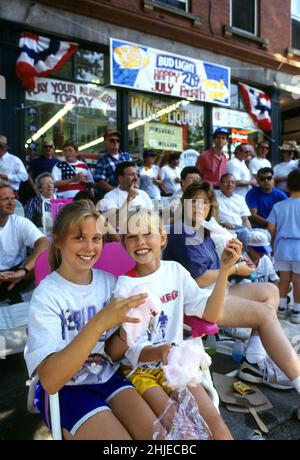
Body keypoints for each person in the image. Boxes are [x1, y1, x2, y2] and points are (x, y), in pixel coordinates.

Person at [24, 200, 158, 440]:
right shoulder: (46, 296)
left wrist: (133, 327)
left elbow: (113, 353)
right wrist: (98, 323)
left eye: (97, 238)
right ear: (57, 240)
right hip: (67, 390)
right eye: (79, 238)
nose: (90, 247)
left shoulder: (109, 283)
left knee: (160, 439)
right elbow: (51, 380)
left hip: (109, 376)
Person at [106, 208, 235, 440]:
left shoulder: (176, 271)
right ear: (124, 244)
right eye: (132, 237)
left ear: (162, 238)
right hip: (141, 371)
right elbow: (129, 346)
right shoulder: (124, 287)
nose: (140, 242)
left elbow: (209, 314)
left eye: (147, 234)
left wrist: (224, 271)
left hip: (176, 363)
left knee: (216, 424)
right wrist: (159, 351)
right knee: (181, 427)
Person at [164, 182, 300, 392]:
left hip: (216, 290)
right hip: (196, 300)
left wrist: (231, 255)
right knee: (264, 313)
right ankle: (296, 379)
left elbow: (215, 269)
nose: (200, 207)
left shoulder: (204, 230)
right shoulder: (182, 231)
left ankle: (254, 359)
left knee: (271, 291)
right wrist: (234, 268)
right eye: (195, 202)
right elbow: (198, 279)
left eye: (205, 203)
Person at [0, 184, 49, 304]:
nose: (12, 203)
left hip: (19, 272)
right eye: (6, 199)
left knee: (47, 260)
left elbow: (44, 243)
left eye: (13, 198)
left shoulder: (19, 222)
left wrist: (24, 271)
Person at [268, 169, 300, 324]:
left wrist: (274, 243)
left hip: (282, 246)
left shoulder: (279, 205)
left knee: (284, 278)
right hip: (299, 247)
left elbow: (271, 229)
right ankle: (296, 311)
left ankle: (281, 308)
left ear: (287, 186)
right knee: (298, 280)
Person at [216, 174, 252, 249]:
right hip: (223, 227)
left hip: (240, 227)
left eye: (232, 182)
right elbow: (210, 215)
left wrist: (251, 232)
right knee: (245, 232)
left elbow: (245, 219)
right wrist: (221, 222)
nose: (230, 185)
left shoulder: (240, 198)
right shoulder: (214, 197)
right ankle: (246, 257)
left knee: (263, 235)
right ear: (220, 184)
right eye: (227, 182)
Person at [94, 130, 132, 194]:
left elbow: (136, 174)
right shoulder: (102, 161)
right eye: (112, 140)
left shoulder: (126, 156)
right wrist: (117, 192)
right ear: (105, 143)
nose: (115, 142)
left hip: (129, 192)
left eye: (117, 140)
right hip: (113, 196)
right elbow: (100, 182)